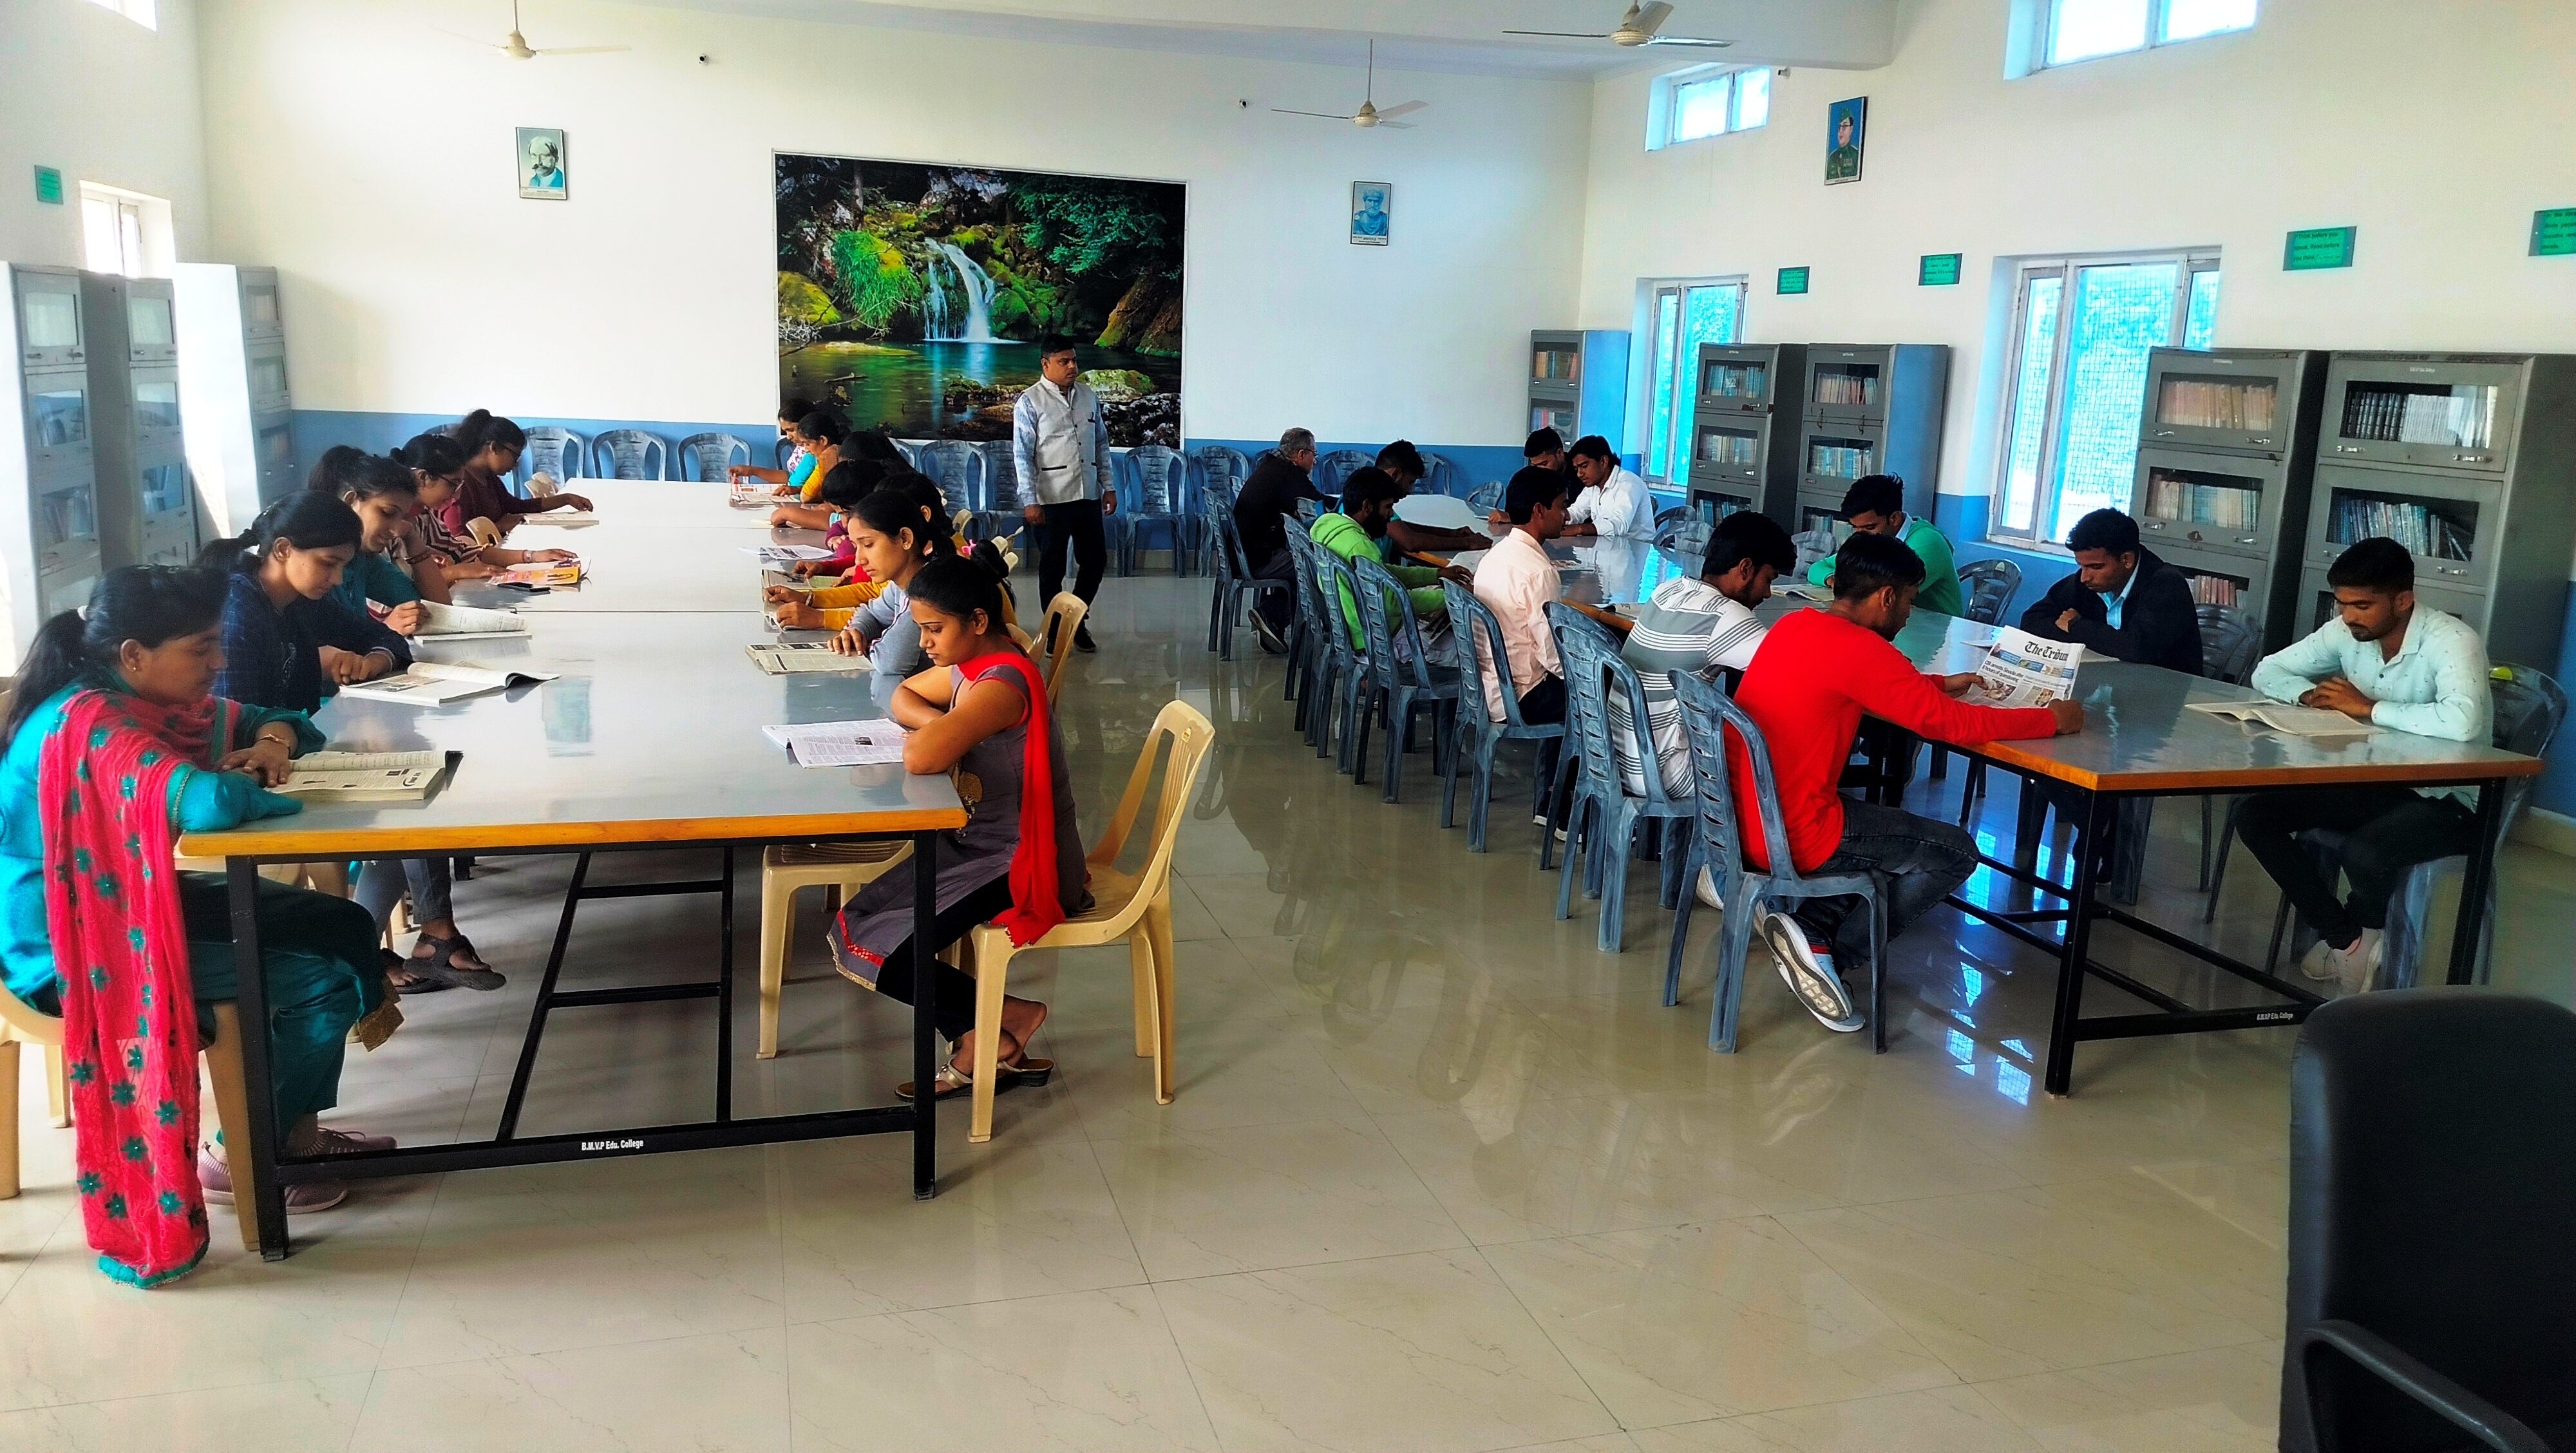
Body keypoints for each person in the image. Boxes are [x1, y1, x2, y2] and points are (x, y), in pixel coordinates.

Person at [2, 567, 402, 1269]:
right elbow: (209, 806)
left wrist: (272, 746)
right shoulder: (92, 723)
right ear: (133, 655)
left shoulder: (146, 701)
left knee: (337, 925)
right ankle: (250, 1150)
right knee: (322, 975)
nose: (217, 662)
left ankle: (292, 1136)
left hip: (127, 900)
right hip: (70, 944)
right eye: (202, 648)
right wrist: (252, 780)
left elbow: (274, 720)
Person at [1730, 532, 2082, 1032]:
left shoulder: (1796, 625)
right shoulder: (1862, 648)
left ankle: (1813, 928)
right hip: (1796, 833)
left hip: (1743, 822)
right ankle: (1824, 947)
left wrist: (1935, 686)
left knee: (1888, 835)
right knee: (1954, 851)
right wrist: (2051, 720)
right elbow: (1951, 725)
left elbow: (1870, 687)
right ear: (1887, 596)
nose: (1908, 615)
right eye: (1910, 602)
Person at [828, 550, 1090, 1101]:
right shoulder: (973, 664)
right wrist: (945, 724)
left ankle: (1001, 1021)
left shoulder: (1001, 685)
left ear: (977, 621)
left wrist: (942, 733)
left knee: (889, 954)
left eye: (934, 629)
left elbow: (920, 756)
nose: (924, 643)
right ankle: (992, 1029)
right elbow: (901, 695)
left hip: (1022, 857)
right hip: (979, 842)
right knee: (858, 921)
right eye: (921, 628)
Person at [2234, 538, 2493, 991]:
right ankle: (2347, 937)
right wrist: (2308, 695)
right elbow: (2269, 671)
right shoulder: (2347, 631)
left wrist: (2368, 708)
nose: (2349, 616)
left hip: (2449, 798)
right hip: (2375, 782)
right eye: (2343, 604)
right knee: (2255, 814)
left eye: (2362, 606)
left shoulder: (2452, 640)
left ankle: (2361, 935)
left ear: (2403, 600)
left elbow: (2463, 722)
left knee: (2365, 853)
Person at [1615, 509, 1797, 801]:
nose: (1767, 594)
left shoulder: (1667, 590)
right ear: (1745, 569)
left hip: (1616, 757)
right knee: (1778, 771)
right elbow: (1797, 671)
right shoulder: (1725, 616)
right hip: (1663, 774)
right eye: (1768, 580)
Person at [202, 492, 412, 711]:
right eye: (328, 564)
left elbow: (387, 637)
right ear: (283, 550)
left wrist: (375, 661)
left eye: (343, 566)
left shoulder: (303, 600)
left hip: (297, 730)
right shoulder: (238, 614)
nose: (338, 579)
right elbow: (238, 721)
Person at [1470, 467, 1571, 819]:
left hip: (1484, 687)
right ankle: (1562, 809)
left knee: (1575, 690)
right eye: (1562, 506)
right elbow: (1552, 656)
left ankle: (1551, 801)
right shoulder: (1539, 571)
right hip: (1520, 695)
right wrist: (1587, 677)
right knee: (1599, 699)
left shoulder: (1494, 556)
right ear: (1539, 510)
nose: (1567, 515)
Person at [1012, 335, 1113, 652]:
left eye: (1074, 361)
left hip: (1087, 495)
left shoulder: (1088, 396)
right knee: (1052, 569)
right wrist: (1029, 500)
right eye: (1064, 362)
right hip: (1050, 500)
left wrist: (1109, 486)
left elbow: (1101, 444)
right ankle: (1055, 630)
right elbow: (1022, 455)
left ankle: (1075, 619)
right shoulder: (1030, 401)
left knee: (1095, 562)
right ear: (1046, 364)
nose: (1072, 367)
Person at [1311, 466, 1470, 664]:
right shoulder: (1360, 546)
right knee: (1468, 650)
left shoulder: (1331, 527)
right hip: (1376, 642)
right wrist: (1455, 596)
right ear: (1367, 506)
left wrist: (1436, 574)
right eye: (1388, 507)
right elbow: (1393, 603)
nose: (1391, 514)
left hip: (1354, 631)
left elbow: (1385, 574)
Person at [2018, 508, 2203, 674]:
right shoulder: (2088, 582)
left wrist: (2076, 626)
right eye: (2081, 566)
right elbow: (2032, 620)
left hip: (2164, 690)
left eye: (2096, 567)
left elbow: (2138, 649)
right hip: (2108, 682)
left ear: (2127, 560)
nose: (2084, 577)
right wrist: (2102, 640)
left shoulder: (2167, 585)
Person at [391, 431, 579, 585]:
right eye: (453, 485)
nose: (457, 495)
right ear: (423, 477)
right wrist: (455, 572)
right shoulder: (389, 525)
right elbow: (398, 590)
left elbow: (462, 551)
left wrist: (532, 556)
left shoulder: (423, 516)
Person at [826, 488, 951, 672]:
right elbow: (871, 613)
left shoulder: (929, 593)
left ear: (905, 538)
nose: (859, 560)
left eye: (868, 544)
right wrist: (856, 632)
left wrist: (867, 645)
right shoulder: (901, 583)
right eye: (856, 546)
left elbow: (890, 661)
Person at [1803, 473, 1962, 616]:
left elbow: (1883, 592)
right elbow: (1817, 568)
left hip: (1934, 629)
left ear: (1894, 519)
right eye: (1855, 528)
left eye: (1869, 527)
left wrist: (1846, 582)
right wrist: (1833, 579)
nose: (1860, 535)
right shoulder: (1872, 541)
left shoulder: (1928, 541)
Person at [308, 447, 430, 629]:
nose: (396, 531)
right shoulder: (311, 560)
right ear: (350, 501)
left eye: (402, 518)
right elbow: (319, 643)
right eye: (387, 513)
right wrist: (385, 630)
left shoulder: (363, 559)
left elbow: (432, 609)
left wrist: (412, 538)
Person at [1233, 427, 1326, 651]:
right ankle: (1272, 615)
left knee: (1300, 559)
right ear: (1301, 455)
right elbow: (1319, 504)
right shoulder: (1290, 474)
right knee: (1314, 567)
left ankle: (1271, 616)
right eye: (1314, 454)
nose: (1315, 461)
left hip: (1243, 552)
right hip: (1257, 559)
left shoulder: (1271, 465)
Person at [448, 411, 594, 536]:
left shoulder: (489, 478)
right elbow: (457, 539)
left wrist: (566, 499)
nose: (516, 464)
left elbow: (516, 506)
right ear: (495, 448)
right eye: (515, 456)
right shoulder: (460, 485)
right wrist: (496, 528)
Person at [1377, 439, 1489, 556]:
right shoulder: (1375, 499)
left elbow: (1402, 528)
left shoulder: (1375, 493)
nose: (1410, 491)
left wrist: (1451, 533)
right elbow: (1410, 541)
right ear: (1395, 475)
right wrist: (1467, 543)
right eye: (1410, 482)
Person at [1562, 435, 1658, 540]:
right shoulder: (1593, 487)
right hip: (1609, 545)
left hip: (1638, 547)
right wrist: (1557, 519)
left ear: (1603, 461)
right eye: (1577, 469)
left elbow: (1619, 525)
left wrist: (1579, 529)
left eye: (1584, 466)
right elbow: (1576, 512)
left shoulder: (1628, 483)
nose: (1579, 474)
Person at [767, 411, 849, 531]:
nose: (806, 450)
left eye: (807, 444)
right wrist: (797, 489)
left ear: (823, 441)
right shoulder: (831, 455)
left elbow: (807, 497)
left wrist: (786, 514)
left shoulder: (831, 457)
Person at [725, 397, 817, 489]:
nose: (789, 437)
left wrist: (795, 489)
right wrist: (752, 471)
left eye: (791, 430)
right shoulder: (801, 448)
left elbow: (798, 483)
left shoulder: (815, 451)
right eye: (786, 431)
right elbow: (791, 477)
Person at [1826, 108, 1861, 182]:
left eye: (1845, 126)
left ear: (1851, 130)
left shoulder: (1856, 155)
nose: (1841, 131)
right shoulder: (1832, 158)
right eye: (1839, 127)